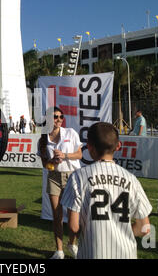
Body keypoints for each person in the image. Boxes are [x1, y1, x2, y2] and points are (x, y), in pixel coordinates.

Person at [61, 122, 152, 259]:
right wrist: (120, 233)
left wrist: (72, 242)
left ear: (89, 147)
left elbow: (74, 227)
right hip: (126, 253)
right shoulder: (131, 179)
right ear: (118, 146)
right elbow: (144, 227)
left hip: (92, 252)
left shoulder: (78, 177)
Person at [37, 107, 83, 259]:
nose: (58, 119)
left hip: (72, 177)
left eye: (60, 117)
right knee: (56, 216)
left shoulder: (70, 132)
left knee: (72, 217)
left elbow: (79, 154)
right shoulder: (42, 140)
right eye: (55, 117)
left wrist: (65, 156)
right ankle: (59, 251)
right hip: (53, 177)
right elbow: (45, 164)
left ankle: (72, 244)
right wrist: (53, 161)